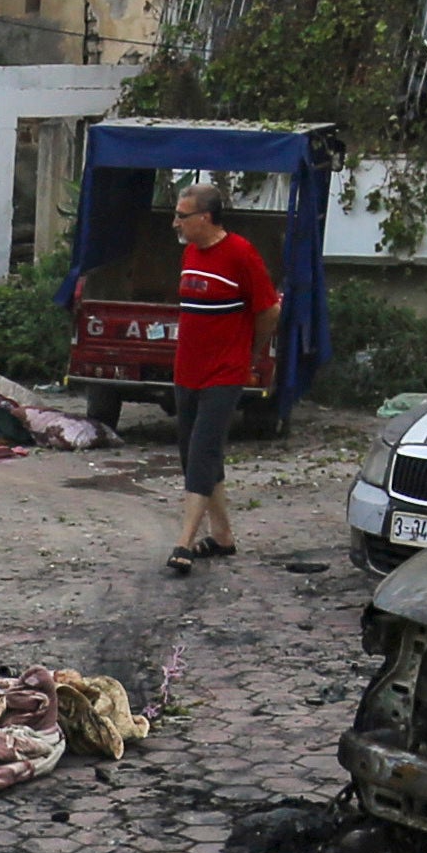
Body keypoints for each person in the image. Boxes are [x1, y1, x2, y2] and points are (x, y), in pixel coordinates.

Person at [162, 178, 281, 574]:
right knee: (192, 453)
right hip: (187, 371)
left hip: (225, 372)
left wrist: (251, 353)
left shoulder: (241, 254)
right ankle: (224, 536)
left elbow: (268, 310)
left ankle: (185, 542)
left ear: (206, 217)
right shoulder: (190, 255)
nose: (176, 224)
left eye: (182, 216)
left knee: (203, 451)